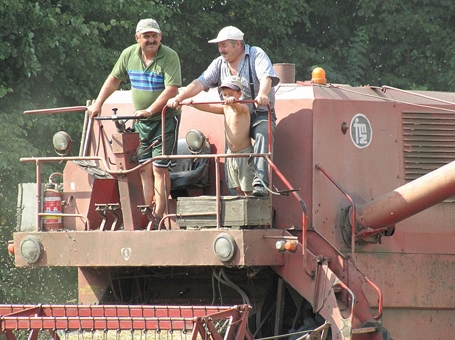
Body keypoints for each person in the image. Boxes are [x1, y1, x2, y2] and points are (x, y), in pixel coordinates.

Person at [88, 18, 182, 227]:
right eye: (146, 36)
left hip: (165, 120)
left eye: (154, 35)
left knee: (159, 168)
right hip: (142, 121)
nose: (151, 40)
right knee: (143, 167)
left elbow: (171, 90)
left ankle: (158, 217)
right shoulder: (128, 55)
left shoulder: (169, 56)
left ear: (160, 37)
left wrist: (150, 110)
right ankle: (147, 211)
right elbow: (113, 79)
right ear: (137, 38)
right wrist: (97, 103)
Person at [167, 26, 279, 197]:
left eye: (224, 45)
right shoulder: (219, 63)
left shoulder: (256, 54)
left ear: (239, 45)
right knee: (231, 148)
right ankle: (234, 191)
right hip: (234, 116)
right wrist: (180, 97)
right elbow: (200, 82)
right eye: (219, 46)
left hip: (259, 113)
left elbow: (266, 77)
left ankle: (260, 182)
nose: (221, 50)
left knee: (263, 133)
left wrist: (263, 94)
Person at [182, 76, 254, 196]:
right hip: (231, 154)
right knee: (237, 189)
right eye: (224, 95)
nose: (226, 98)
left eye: (230, 94)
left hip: (244, 154)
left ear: (239, 93)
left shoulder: (244, 107)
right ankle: (239, 212)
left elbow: (239, 108)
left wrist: (233, 103)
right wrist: (193, 104)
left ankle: (251, 211)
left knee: (247, 188)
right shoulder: (225, 108)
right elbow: (209, 107)